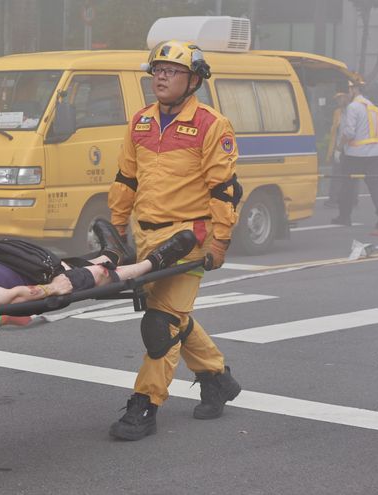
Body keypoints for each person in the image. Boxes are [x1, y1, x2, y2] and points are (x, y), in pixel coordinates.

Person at [106, 40, 243, 441]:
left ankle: (145, 404)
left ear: (194, 80)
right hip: (146, 235)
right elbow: (126, 178)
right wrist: (117, 228)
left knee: (161, 322)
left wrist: (220, 242)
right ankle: (216, 378)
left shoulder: (211, 124)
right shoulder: (140, 121)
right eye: (158, 70)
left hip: (188, 236)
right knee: (173, 314)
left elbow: (224, 189)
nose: (161, 77)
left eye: (172, 71)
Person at [0, 220, 197, 316]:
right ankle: (153, 261)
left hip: (11, 265)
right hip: (30, 281)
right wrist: (51, 289)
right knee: (95, 276)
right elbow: (14, 298)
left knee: (68, 265)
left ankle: (113, 253)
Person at [332, 78, 378, 227]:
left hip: (355, 154)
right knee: (374, 185)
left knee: (347, 185)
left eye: (348, 90)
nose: (347, 93)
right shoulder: (372, 106)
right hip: (375, 153)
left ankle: (344, 217)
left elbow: (349, 132)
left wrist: (338, 148)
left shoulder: (353, 107)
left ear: (354, 89)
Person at [324, 91, 351, 208]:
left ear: (347, 97)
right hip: (340, 147)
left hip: (349, 148)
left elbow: (349, 132)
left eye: (341, 98)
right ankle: (335, 199)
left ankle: (342, 199)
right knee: (337, 173)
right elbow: (336, 132)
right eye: (337, 99)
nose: (338, 101)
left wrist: (339, 149)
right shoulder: (338, 112)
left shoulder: (352, 112)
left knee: (347, 175)